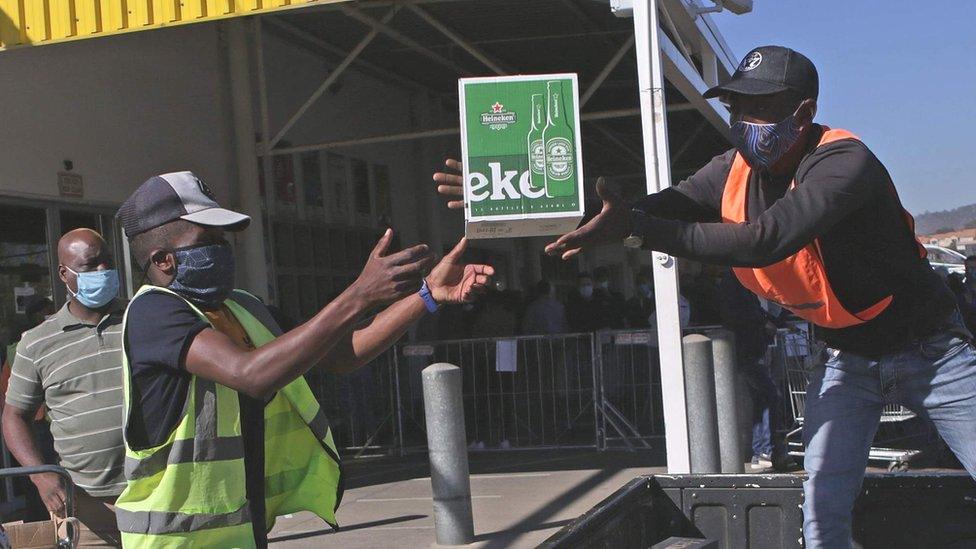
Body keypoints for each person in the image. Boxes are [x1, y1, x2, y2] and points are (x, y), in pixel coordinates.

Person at [434, 46, 976, 549]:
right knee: (822, 510)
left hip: (932, 354)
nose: (746, 121)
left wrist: (638, 229)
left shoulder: (843, 163)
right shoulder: (731, 170)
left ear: (804, 111)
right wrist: (512, 197)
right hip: (846, 361)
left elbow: (764, 240)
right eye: (738, 106)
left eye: (761, 108)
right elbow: (658, 205)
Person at [114, 171, 492, 548]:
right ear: (164, 260)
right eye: (207, 240)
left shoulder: (244, 307)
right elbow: (249, 374)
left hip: (244, 534)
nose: (222, 248)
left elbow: (344, 353)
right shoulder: (154, 313)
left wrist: (427, 295)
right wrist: (359, 294)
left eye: (221, 239)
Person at [2, 229, 126, 546]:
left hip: (157, 497)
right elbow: (14, 417)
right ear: (63, 273)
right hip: (89, 512)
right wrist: (40, 476)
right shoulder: (37, 343)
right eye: (90, 264)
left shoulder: (142, 318)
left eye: (107, 262)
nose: (102, 271)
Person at [717, 270, 783, 470]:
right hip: (747, 350)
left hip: (746, 349)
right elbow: (742, 314)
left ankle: (763, 450)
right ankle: (764, 450)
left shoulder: (737, 283)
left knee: (762, 398)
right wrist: (765, 324)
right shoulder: (737, 285)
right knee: (769, 395)